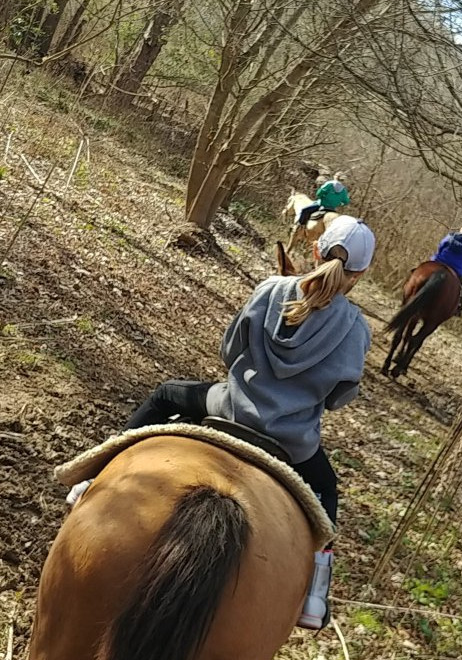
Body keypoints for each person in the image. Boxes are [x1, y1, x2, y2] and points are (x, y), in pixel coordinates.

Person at [67, 215, 376, 631]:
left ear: (316, 251)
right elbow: (339, 397)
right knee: (326, 488)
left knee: (164, 395)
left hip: (228, 409)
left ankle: (91, 479)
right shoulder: (356, 329)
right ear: (359, 274)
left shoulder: (271, 289)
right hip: (292, 441)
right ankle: (316, 594)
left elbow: (229, 349)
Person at [430, 223, 462, 315]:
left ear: (461, 229)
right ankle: (459, 307)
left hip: (439, 260)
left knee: (421, 269)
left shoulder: (451, 237)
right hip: (456, 268)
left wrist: (439, 256)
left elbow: (441, 246)